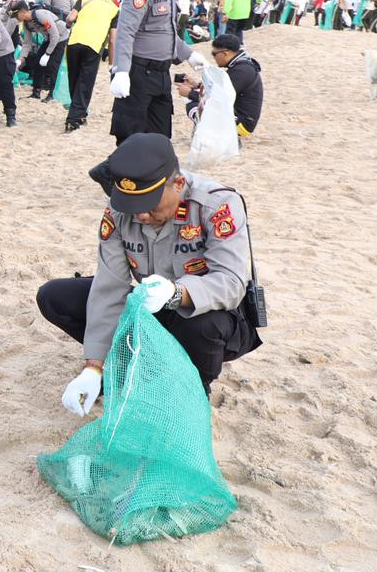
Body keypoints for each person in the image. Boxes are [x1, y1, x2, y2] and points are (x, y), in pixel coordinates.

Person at [36, 133, 261, 412]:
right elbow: (110, 287)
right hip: (151, 308)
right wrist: (93, 367)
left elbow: (231, 282)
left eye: (150, 204)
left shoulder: (216, 205)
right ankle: (126, 368)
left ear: (177, 184)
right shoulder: (120, 212)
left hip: (211, 319)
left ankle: (192, 389)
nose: (140, 215)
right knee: (55, 296)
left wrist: (178, 293)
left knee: (202, 323)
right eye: (132, 205)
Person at [109, 0, 204, 144]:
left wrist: (189, 54)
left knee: (159, 138)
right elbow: (126, 31)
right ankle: (113, 177)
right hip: (139, 73)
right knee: (131, 138)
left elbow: (164, 31)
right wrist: (122, 71)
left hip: (160, 74)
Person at [176, 33, 264, 137]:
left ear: (225, 53)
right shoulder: (241, 65)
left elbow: (216, 97)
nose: (214, 57)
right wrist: (197, 85)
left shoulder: (241, 71)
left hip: (242, 124)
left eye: (214, 54)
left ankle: (207, 132)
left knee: (193, 104)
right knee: (198, 98)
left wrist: (189, 93)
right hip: (241, 117)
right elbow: (219, 88)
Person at [64, 0, 119, 132]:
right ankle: (74, 119)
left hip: (74, 42)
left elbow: (71, 17)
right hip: (93, 47)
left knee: (74, 80)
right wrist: (111, 63)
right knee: (85, 83)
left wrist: (70, 24)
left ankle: (80, 114)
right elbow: (113, 39)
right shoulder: (115, 9)